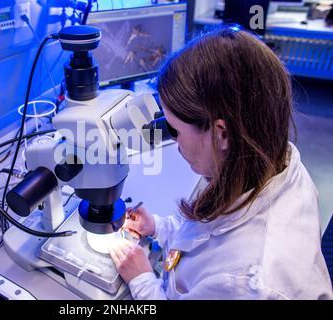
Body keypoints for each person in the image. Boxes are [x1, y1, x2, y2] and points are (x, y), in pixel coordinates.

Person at [109, 27, 333, 300]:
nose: (175, 144)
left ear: (221, 133)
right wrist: (159, 226)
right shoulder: (268, 160)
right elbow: (209, 240)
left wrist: (142, 278)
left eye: (175, 130)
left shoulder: (247, 285)